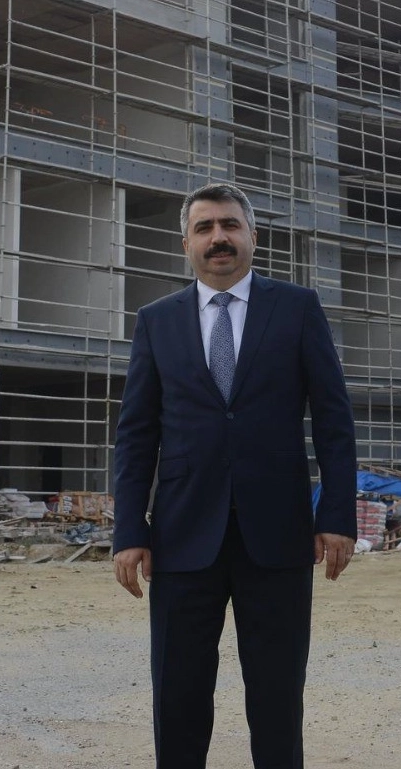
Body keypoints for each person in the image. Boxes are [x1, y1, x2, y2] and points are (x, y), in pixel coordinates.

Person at [112, 182, 358, 769]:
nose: (218, 238)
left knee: (277, 694)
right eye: (204, 228)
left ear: (253, 236)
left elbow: (333, 421)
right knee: (178, 692)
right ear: (186, 244)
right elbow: (137, 435)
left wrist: (337, 516)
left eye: (229, 225)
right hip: (180, 535)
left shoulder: (297, 308)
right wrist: (129, 530)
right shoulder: (156, 321)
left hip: (277, 534)